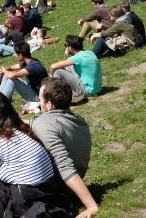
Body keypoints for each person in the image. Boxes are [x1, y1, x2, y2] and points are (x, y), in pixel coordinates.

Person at [31, 77, 99, 218]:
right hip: (73, 182)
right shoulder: (78, 120)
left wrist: (91, 206)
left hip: (58, 189)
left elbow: (65, 166)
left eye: (40, 100)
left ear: (49, 104)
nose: (39, 103)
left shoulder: (44, 125)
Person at [0, 42, 48, 113]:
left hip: (39, 97)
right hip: (33, 91)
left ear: (20, 55)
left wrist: (4, 71)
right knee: (6, 75)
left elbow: (12, 75)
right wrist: (3, 71)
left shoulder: (33, 66)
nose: (14, 55)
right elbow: (11, 68)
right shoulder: (30, 61)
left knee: (12, 80)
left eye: (16, 54)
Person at [48, 36, 102, 102]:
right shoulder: (89, 53)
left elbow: (53, 66)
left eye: (66, 45)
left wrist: (50, 76)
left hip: (87, 91)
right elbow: (67, 64)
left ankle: (56, 97)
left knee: (58, 72)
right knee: (69, 66)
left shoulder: (78, 57)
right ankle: (69, 92)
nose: (65, 47)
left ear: (70, 47)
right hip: (97, 89)